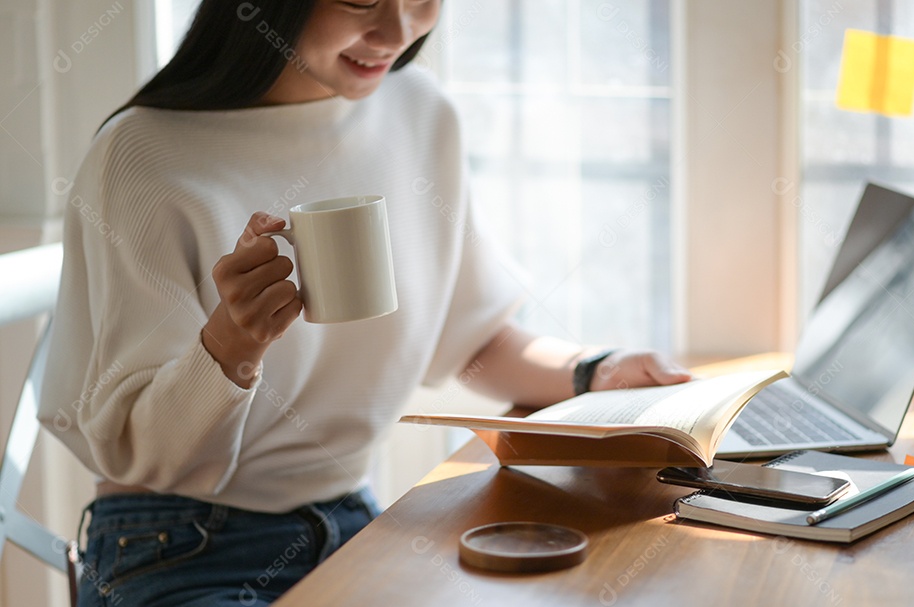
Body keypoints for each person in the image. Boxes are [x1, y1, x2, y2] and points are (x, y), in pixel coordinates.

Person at [40, 1, 691, 605]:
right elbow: (143, 457)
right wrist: (230, 345)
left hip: (352, 521)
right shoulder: (141, 153)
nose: (398, 31)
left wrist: (596, 370)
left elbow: (473, 341)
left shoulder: (420, 112)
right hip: (176, 546)